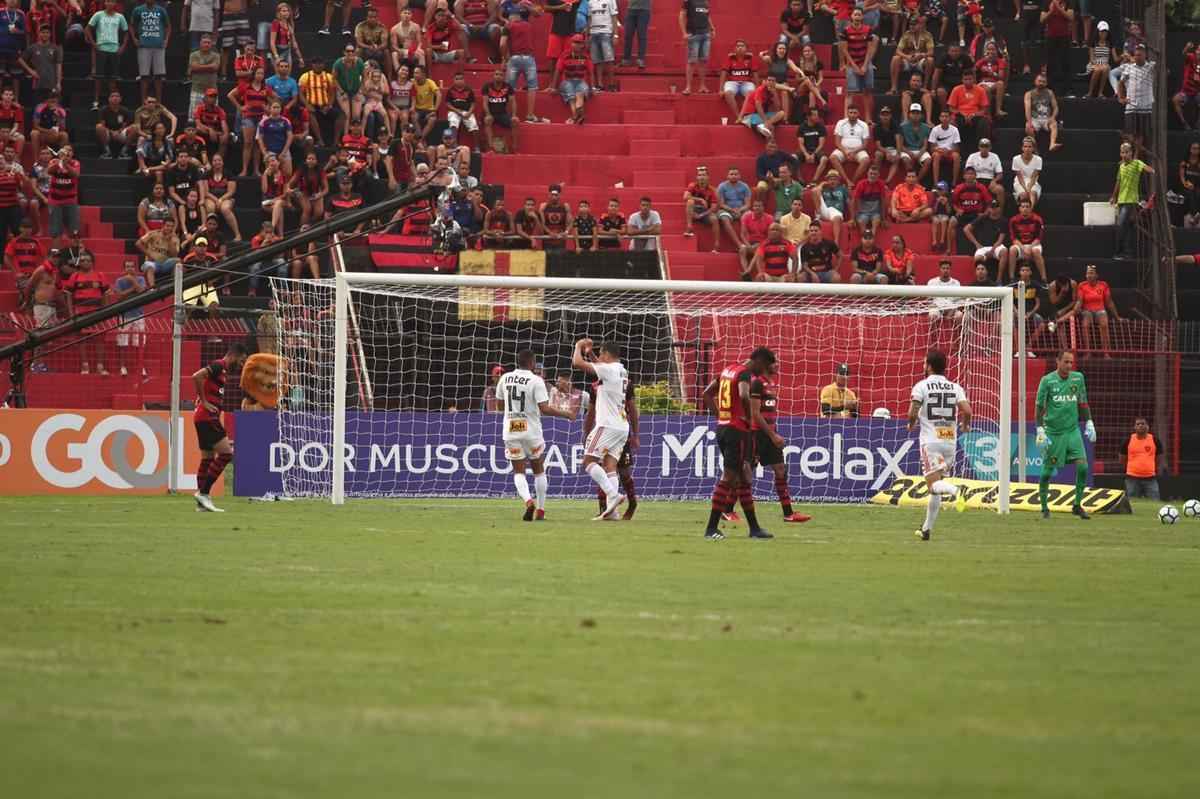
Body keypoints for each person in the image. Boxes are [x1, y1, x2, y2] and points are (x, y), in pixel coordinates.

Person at [701, 346, 777, 539]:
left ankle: (754, 529)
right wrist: (748, 418)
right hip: (737, 430)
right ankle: (711, 529)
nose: (765, 372)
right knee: (729, 478)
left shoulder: (728, 369)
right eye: (766, 367)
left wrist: (720, 417)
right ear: (759, 361)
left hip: (724, 427)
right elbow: (744, 394)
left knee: (744, 477)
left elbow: (707, 393)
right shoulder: (744, 374)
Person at [497, 349, 577, 521]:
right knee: (538, 470)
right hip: (531, 431)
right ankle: (540, 510)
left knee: (519, 472)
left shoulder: (505, 378)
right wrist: (566, 413)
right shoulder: (536, 380)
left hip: (511, 430)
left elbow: (499, 405)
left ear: (518, 362)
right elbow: (545, 408)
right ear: (532, 363)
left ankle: (528, 501)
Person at [908, 349, 971, 540]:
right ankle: (926, 530)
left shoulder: (921, 386)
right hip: (949, 442)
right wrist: (965, 426)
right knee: (937, 487)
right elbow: (967, 410)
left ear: (928, 366)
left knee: (933, 486)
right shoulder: (955, 387)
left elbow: (912, 412)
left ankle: (956, 491)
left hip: (931, 441)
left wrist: (911, 424)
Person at [572, 337, 631, 521]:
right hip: (622, 426)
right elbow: (600, 367)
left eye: (600, 353)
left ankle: (612, 495)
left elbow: (577, 363)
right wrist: (591, 353)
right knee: (609, 466)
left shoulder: (608, 369)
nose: (599, 357)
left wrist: (579, 347)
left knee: (588, 462)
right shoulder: (621, 370)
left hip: (607, 424)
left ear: (606, 354)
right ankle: (613, 512)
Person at [1035, 350, 1096, 519]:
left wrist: (1089, 422)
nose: (1069, 365)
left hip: (1072, 431)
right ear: (1058, 361)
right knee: (1047, 472)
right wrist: (1040, 429)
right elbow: (1039, 407)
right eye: (1066, 362)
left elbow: (1083, 402)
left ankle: (1077, 505)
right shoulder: (1047, 381)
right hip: (1053, 432)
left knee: (1083, 466)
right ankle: (1044, 508)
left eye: (1071, 362)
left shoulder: (1078, 378)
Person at [192, 342, 248, 512]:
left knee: (207, 459)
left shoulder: (223, 372)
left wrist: (203, 399)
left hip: (203, 417)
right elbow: (197, 376)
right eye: (241, 361)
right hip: (207, 417)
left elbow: (204, 382)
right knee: (226, 454)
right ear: (233, 355)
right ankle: (204, 493)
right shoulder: (219, 365)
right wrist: (204, 401)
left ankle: (202, 503)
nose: (241, 364)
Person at [752, 361, 811, 524]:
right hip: (757, 434)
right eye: (773, 362)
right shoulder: (757, 383)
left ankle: (788, 513)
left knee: (780, 469)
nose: (777, 365)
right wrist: (773, 435)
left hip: (770, 433)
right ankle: (727, 509)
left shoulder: (770, 384)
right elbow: (755, 414)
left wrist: (773, 433)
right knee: (745, 473)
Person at [582, 368, 639, 520]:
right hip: (609, 431)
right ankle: (607, 510)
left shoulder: (625, 384)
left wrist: (636, 434)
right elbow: (591, 412)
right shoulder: (595, 387)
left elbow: (632, 409)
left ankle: (632, 503)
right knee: (604, 467)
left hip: (619, 430)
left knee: (624, 471)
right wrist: (586, 432)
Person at [1111, 140, 1154, 260]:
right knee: (1127, 227)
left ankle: (1119, 252)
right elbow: (1118, 182)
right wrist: (1114, 196)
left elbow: (1146, 168)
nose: (1124, 155)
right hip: (1121, 201)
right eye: (1122, 152)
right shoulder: (1121, 166)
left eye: (1127, 152)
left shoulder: (1136, 163)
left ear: (1131, 152)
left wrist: (1153, 170)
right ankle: (1127, 253)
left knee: (1121, 225)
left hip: (1131, 201)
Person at [86, 0, 127, 111]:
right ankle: (96, 102)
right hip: (101, 49)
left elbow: (126, 31)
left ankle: (113, 104)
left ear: (115, 4)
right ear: (105, 3)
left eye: (112, 2)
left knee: (112, 79)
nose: (110, 4)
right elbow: (88, 28)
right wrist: (94, 44)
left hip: (114, 49)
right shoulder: (98, 15)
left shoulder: (120, 17)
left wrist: (123, 46)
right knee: (98, 78)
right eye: (108, 1)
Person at [111, 259, 148, 377]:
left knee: (140, 343)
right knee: (123, 342)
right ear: (124, 269)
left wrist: (132, 281)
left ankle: (141, 367)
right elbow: (120, 296)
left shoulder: (141, 279)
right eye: (127, 267)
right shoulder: (119, 281)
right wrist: (133, 289)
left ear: (135, 268)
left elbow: (142, 292)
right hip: (124, 315)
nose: (130, 269)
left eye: (132, 266)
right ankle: (123, 367)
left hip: (139, 314)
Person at [839, 8, 877, 119]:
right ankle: (846, 118)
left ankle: (868, 119)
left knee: (867, 92)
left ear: (862, 17)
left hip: (865, 63)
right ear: (851, 16)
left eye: (859, 14)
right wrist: (854, 66)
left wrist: (865, 65)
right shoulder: (845, 31)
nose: (857, 16)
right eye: (855, 14)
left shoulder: (868, 29)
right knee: (850, 92)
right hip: (852, 64)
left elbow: (870, 49)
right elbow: (844, 50)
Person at [1073, 263, 1120, 353]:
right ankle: (1088, 352)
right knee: (1085, 325)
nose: (1089, 275)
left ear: (1096, 275)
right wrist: (1076, 308)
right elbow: (1079, 300)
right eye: (1087, 273)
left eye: (1091, 273)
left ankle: (1106, 352)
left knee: (1104, 325)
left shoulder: (1103, 285)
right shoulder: (1082, 285)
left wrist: (1117, 317)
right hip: (1087, 310)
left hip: (1100, 310)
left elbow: (1109, 302)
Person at [130, 0, 170, 103]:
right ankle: (144, 101)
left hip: (159, 46)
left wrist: (166, 40)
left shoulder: (161, 10)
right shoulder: (138, 10)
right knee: (144, 76)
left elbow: (168, 26)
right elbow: (131, 25)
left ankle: (159, 102)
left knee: (159, 76)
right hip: (144, 46)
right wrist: (134, 38)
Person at [1117, 44, 1155, 151]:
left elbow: (1164, 68)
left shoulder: (1151, 66)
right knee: (1129, 134)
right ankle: (1127, 156)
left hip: (1145, 106)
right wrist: (1121, 98)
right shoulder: (1128, 67)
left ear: (1145, 55)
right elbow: (1120, 83)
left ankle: (1135, 157)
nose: (1138, 57)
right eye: (1136, 55)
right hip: (1131, 105)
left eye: (1140, 55)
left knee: (1140, 134)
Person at [551, 34, 593, 125]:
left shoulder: (586, 56)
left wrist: (592, 88)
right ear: (571, 43)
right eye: (574, 42)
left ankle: (575, 116)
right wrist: (553, 87)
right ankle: (577, 115)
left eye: (578, 43)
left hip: (581, 81)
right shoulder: (565, 55)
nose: (576, 45)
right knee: (569, 90)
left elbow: (591, 72)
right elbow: (558, 70)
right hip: (567, 80)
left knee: (581, 91)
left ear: (582, 45)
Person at [1121, 418, 1166, 500]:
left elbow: (1159, 457)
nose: (1140, 425)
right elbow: (1122, 458)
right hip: (1132, 478)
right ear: (1134, 427)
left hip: (1150, 478)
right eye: (1138, 424)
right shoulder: (1128, 440)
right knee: (1132, 503)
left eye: (1142, 423)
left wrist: (1150, 468)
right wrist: (1131, 469)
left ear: (1147, 427)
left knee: (1155, 502)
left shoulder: (1155, 440)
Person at [890, 13, 934, 94]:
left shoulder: (927, 35)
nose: (912, 27)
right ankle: (894, 87)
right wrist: (906, 56)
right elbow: (898, 51)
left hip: (920, 60)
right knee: (895, 58)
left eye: (914, 25)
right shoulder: (906, 34)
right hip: (908, 59)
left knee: (930, 60)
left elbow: (931, 52)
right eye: (910, 25)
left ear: (920, 25)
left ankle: (924, 87)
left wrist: (922, 55)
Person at [964, 200, 1008, 280]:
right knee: (978, 259)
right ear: (989, 209)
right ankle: (980, 280)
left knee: (1004, 251)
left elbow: (1000, 240)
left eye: (996, 207)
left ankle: (999, 279)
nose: (994, 210)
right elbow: (966, 229)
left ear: (999, 209)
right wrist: (976, 244)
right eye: (992, 207)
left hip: (996, 246)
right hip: (982, 247)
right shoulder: (982, 218)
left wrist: (992, 250)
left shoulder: (1003, 221)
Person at [1010, 261, 1046, 355]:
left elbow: (1037, 303)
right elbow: (1011, 302)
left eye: (1027, 270)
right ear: (1019, 272)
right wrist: (1017, 312)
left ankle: (1028, 347)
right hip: (1016, 312)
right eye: (1023, 270)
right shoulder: (1014, 285)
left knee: (1041, 323)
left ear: (1030, 272)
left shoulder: (1035, 286)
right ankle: (1018, 349)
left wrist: (1031, 313)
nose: (1025, 272)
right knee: (1012, 321)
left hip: (1030, 312)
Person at [679, 0, 714, 95]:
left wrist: (712, 28)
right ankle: (688, 87)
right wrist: (684, 33)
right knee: (692, 61)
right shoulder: (687, 1)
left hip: (706, 35)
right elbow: (682, 16)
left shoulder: (705, 2)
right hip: (693, 35)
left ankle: (702, 86)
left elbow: (707, 16)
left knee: (703, 61)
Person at [1008, 197, 1047, 282]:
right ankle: (1011, 278)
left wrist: (1029, 248)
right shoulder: (1013, 220)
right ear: (1019, 209)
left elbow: (1038, 238)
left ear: (1030, 208)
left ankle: (1044, 279)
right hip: (1020, 245)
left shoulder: (1037, 219)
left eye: (1027, 206)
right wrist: (1023, 248)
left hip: (1034, 244)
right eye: (1023, 207)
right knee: (1012, 249)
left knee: (1035, 251)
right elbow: (1014, 239)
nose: (1025, 209)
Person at [720, 39, 759, 122]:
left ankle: (742, 116)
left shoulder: (751, 58)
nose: (740, 48)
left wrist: (758, 89)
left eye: (742, 46)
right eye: (738, 46)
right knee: (728, 93)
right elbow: (723, 73)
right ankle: (739, 117)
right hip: (732, 82)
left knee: (751, 93)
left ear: (746, 49)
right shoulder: (730, 58)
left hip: (747, 82)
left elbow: (755, 74)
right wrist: (720, 89)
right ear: (734, 49)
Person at [1023, 72, 1062, 153]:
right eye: (1039, 81)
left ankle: (1052, 144)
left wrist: (1053, 117)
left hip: (1046, 118)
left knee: (1054, 124)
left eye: (1043, 82)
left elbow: (1056, 107)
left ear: (1046, 83)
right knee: (1027, 126)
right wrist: (1029, 122)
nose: (1041, 83)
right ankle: (1035, 149)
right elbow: (1027, 109)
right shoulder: (1029, 94)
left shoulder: (1050, 92)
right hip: (1035, 118)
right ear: (1035, 81)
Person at [831, 105, 871, 183]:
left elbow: (865, 145)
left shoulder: (864, 125)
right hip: (843, 149)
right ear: (847, 113)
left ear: (858, 113)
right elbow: (837, 142)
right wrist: (845, 151)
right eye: (851, 112)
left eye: (855, 113)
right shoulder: (840, 123)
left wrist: (854, 151)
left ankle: (853, 182)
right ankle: (846, 180)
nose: (852, 114)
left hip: (858, 150)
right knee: (833, 158)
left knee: (866, 160)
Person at [1040, 0, 1074, 94]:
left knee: (1065, 63)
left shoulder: (1068, 2)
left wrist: (1058, 8)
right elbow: (1042, 19)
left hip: (1064, 36)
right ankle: (1050, 88)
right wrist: (1051, 11)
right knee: (1051, 63)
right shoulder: (1047, 2)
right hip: (1051, 37)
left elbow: (1071, 17)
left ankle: (1068, 89)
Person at [136, 216, 180, 287]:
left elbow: (174, 255)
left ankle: (174, 286)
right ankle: (152, 288)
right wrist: (149, 254)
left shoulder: (175, 239)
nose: (169, 228)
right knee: (149, 266)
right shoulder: (153, 234)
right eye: (167, 226)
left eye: (172, 226)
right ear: (163, 225)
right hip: (152, 263)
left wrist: (169, 241)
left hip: (165, 263)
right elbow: (138, 243)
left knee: (178, 262)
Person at [682, 168, 720, 245]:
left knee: (714, 219)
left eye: (704, 175)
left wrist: (701, 215)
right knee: (690, 201)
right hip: (693, 211)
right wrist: (700, 199)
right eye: (699, 175)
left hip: (705, 213)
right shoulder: (692, 185)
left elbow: (714, 207)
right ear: (697, 177)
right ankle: (689, 227)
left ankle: (717, 243)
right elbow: (685, 197)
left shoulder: (712, 190)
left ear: (707, 177)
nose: (701, 177)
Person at [851, 163, 888, 237]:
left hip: (875, 213)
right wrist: (853, 219)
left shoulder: (881, 184)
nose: (872, 176)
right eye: (871, 173)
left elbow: (883, 202)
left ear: (878, 175)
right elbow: (853, 201)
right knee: (861, 222)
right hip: (862, 213)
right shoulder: (861, 184)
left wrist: (884, 219)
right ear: (867, 174)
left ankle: (871, 241)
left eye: (875, 174)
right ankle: (865, 241)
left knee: (876, 222)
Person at [898, 103, 933, 182]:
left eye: (917, 113)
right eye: (913, 113)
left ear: (921, 115)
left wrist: (920, 154)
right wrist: (909, 153)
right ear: (909, 114)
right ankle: (910, 180)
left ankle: (916, 181)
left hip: (920, 150)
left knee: (928, 160)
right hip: (907, 150)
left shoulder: (926, 127)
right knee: (906, 160)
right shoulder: (902, 127)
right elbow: (900, 145)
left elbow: (925, 145)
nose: (915, 115)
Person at [966, 137, 1004, 206]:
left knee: (1000, 189)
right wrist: (972, 179)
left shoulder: (995, 156)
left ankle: (998, 213)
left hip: (990, 181)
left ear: (990, 148)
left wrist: (994, 181)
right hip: (975, 180)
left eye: (986, 146)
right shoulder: (972, 156)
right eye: (982, 146)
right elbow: (967, 171)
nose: (984, 149)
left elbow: (1000, 174)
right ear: (979, 147)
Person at [929, 109, 962, 187]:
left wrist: (949, 151)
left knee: (956, 156)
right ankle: (935, 184)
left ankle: (954, 183)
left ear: (950, 118)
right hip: (938, 152)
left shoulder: (954, 129)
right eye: (942, 116)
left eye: (946, 116)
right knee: (936, 156)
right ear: (940, 118)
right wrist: (940, 150)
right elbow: (931, 147)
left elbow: (957, 147)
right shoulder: (935, 129)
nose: (944, 118)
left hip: (950, 152)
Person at [1087, 21, 1117, 99]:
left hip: (1105, 64)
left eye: (1105, 32)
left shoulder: (1110, 43)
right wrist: (1097, 64)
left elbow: (1116, 59)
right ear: (1098, 32)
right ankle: (1090, 92)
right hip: (1094, 63)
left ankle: (1100, 93)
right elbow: (1091, 58)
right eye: (1102, 32)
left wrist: (1122, 56)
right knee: (1098, 70)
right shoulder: (1093, 42)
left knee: (1105, 68)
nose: (1103, 34)